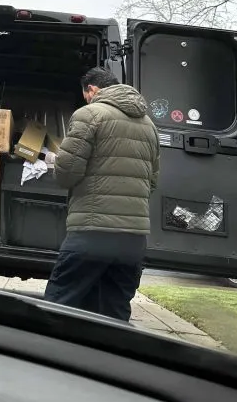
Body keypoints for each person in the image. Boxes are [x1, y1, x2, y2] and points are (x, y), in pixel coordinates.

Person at [44, 66, 160, 322]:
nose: (86, 99)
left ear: (93, 90)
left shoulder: (90, 114)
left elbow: (68, 174)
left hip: (92, 232)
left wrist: (55, 161)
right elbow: (152, 181)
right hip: (133, 239)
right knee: (114, 312)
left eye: (86, 94)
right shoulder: (149, 125)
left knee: (59, 303)